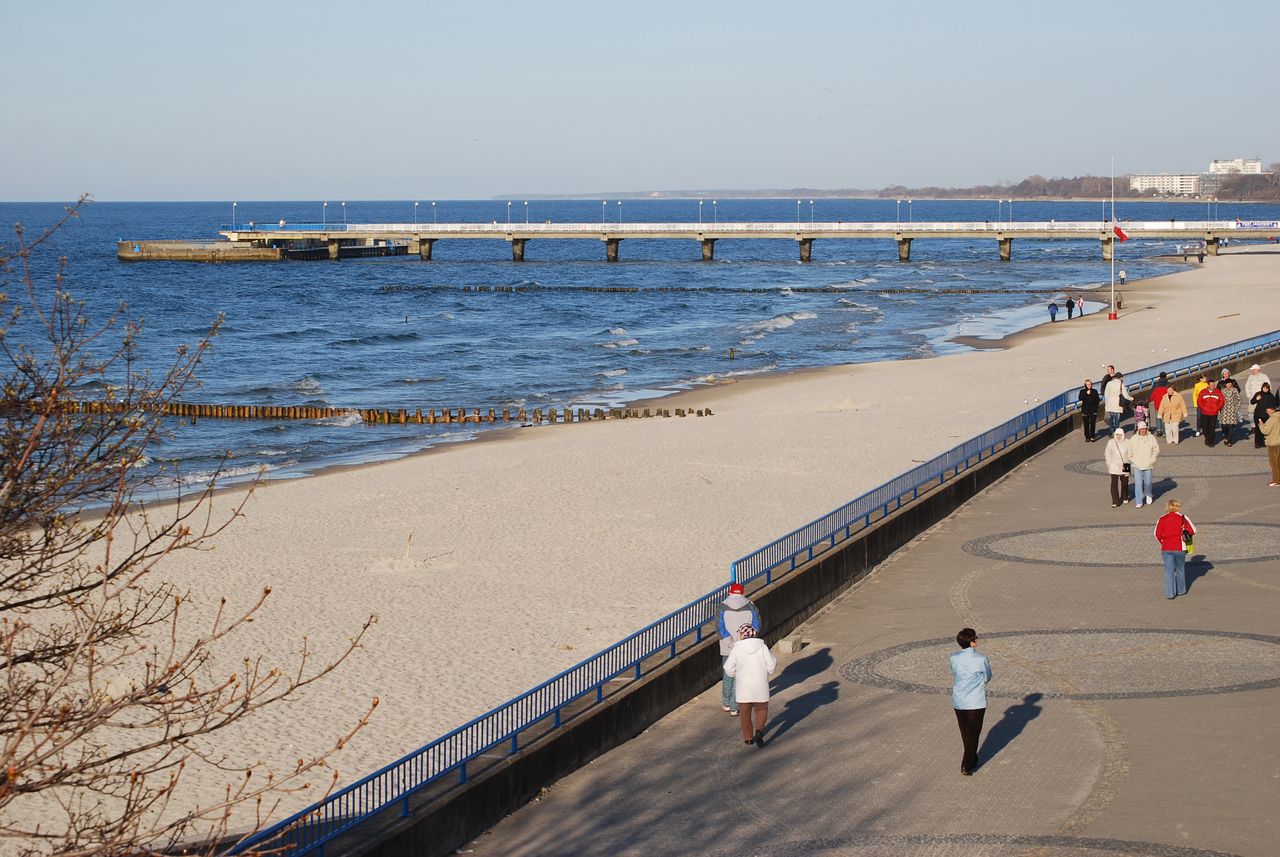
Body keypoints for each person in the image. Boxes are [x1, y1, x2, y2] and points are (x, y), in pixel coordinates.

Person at [723, 623, 776, 747]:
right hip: (760, 685)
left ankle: (748, 738)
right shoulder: (762, 647)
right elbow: (771, 666)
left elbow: (728, 667)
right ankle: (759, 731)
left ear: (742, 634)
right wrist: (766, 671)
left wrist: (734, 674)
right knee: (762, 710)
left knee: (745, 713)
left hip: (743, 687)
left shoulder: (736, 649)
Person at [950, 628, 991, 776]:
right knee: (974, 734)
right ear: (972, 642)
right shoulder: (981, 659)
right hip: (976, 702)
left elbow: (955, 673)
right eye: (975, 639)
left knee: (966, 733)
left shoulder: (954, 657)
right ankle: (966, 765)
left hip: (959, 700)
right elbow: (987, 677)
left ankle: (973, 758)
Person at [717, 582, 761, 715]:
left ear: (730, 592)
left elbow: (720, 628)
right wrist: (745, 639)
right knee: (740, 676)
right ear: (742, 592)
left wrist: (730, 642)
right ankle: (735, 706)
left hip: (727, 647)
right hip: (744, 645)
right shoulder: (750, 606)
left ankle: (726, 702)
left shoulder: (722, 606)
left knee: (728, 673)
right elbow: (757, 625)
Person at [1154, 499, 1196, 599]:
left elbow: (1156, 534)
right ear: (1178, 507)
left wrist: (1163, 542)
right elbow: (1193, 530)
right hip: (1179, 547)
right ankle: (1181, 590)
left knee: (1168, 571)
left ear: (1167, 507)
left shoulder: (1162, 519)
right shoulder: (1182, 518)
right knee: (1180, 569)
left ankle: (1169, 593)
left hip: (1166, 548)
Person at [1128, 422, 1160, 507]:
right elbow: (1129, 450)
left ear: (1146, 429)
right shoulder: (1133, 438)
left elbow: (1156, 449)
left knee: (1148, 483)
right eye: (1141, 429)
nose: (1142, 430)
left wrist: (1152, 459)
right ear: (1138, 429)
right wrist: (1132, 459)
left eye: (1144, 429)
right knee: (1138, 484)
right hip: (1137, 464)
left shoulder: (1151, 438)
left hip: (1148, 464)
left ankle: (1148, 494)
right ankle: (1139, 501)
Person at [1105, 428, 1131, 507]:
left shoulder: (1127, 442)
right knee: (1114, 483)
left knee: (1125, 482)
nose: (1118, 436)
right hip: (1114, 465)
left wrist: (1129, 463)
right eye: (1117, 435)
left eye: (1120, 435)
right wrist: (1109, 463)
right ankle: (1115, 501)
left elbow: (1130, 453)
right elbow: (1107, 453)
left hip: (1125, 464)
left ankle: (1124, 496)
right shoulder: (1111, 442)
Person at [1196, 379, 1225, 447]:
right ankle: (1207, 438)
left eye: (1213, 385)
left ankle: (1211, 442)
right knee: (1205, 428)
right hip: (1205, 413)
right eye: (1211, 385)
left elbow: (1221, 401)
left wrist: (1217, 408)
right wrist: (1203, 408)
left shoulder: (1218, 392)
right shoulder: (1203, 392)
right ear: (1208, 385)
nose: (1212, 386)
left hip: (1214, 413)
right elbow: (1199, 401)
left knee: (1212, 428)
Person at [1251, 381, 1278, 449]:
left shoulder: (1271, 396)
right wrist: (1256, 399)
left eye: (1266, 388)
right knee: (1258, 429)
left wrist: (1271, 413)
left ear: (1269, 389)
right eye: (1264, 388)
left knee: (1265, 429)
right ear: (1262, 388)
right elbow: (1252, 402)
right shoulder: (1258, 394)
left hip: (1266, 415)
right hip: (1258, 414)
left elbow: (1273, 406)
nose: (1265, 389)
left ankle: (1263, 443)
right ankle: (1257, 443)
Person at [1219, 377, 1242, 447]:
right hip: (1224, 411)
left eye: (1230, 383)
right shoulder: (1222, 391)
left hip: (1232, 410)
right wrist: (1219, 408)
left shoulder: (1234, 390)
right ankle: (1226, 437)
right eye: (1227, 383)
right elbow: (1219, 400)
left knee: (1230, 426)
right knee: (1224, 426)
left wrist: (1236, 408)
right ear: (1225, 384)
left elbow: (1239, 400)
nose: (1229, 384)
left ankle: (1230, 440)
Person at [1262, 406, 1280, 486]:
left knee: (1274, 463)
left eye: (1267, 411)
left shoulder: (1272, 419)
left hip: (1273, 443)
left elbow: (1265, 431)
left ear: (1271, 410)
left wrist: (1261, 424)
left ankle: (1276, 480)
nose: (1267, 412)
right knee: (1278, 462)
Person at [1149, 372, 1170, 437]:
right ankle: (1164, 431)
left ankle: (1159, 430)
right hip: (1166, 404)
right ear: (1166, 377)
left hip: (1158, 404)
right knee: (1165, 418)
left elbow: (1151, 395)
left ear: (1159, 377)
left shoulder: (1155, 385)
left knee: (1158, 417)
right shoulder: (1168, 384)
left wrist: (1148, 400)